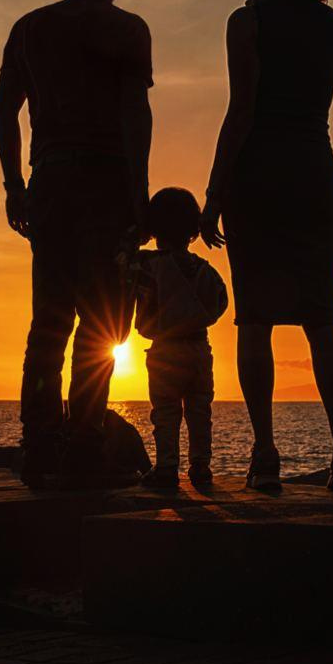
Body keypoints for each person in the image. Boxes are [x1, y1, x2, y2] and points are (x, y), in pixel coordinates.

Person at [201, 0, 333, 495]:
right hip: (315, 175)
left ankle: (265, 454)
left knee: (255, 321)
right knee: (323, 319)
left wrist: (213, 192)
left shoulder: (245, 22)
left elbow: (242, 109)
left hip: (258, 179)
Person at [0, 0, 153, 489]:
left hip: (52, 182)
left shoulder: (31, 28)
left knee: (49, 322)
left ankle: (39, 444)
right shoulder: (129, 30)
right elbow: (137, 116)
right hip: (108, 185)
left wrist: (14, 184)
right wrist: (141, 195)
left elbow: (3, 109)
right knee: (101, 325)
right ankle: (84, 446)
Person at [135, 187, 228, 491]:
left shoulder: (148, 265)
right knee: (200, 410)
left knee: (166, 411)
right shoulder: (205, 269)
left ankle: (167, 467)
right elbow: (221, 301)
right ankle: (201, 467)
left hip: (165, 350)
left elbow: (123, 273)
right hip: (200, 347)